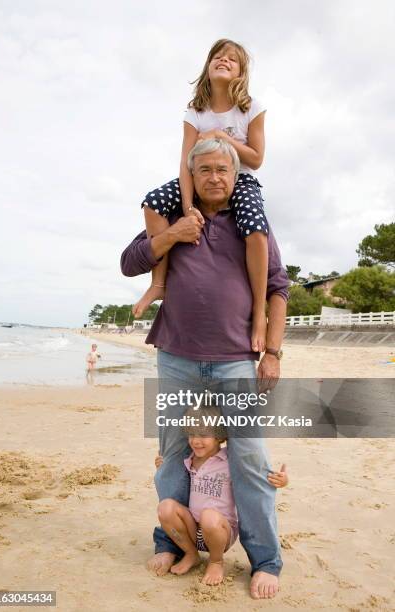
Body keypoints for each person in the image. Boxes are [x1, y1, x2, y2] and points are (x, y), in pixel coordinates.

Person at [121, 138, 288, 600]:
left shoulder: (252, 225)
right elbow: (129, 262)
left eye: (223, 170)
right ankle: (171, 544)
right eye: (205, 169)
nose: (215, 177)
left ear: (235, 179)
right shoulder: (175, 216)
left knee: (249, 459)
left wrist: (272, 350)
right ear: (190, 177)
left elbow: (278, 286)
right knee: (174, 455)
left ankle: (266, 561)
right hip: (175, 358)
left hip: (237, 359)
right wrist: (173, 234)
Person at [133, 39, 269, 354]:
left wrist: (223, 137)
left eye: (232, 59)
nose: (224, 61)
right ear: (208, 66)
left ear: (240, 72)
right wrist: (187, 206)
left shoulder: (251, 107)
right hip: (198, 177)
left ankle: (258, 313)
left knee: (256, 229)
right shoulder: (195, 112)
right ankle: (159, 283)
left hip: (239, 178)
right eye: (218, 57)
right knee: (152, 202)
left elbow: (256, 159)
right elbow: (185, 163)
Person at [155, 407, 288, 586]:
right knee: (165, 507)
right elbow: (175, 477)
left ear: (219, 436)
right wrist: (163, 466)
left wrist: (282, 480)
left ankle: (216, 561)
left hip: (219, 530)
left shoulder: (229, 460)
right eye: (191, 434)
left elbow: (256, 477)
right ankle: (191, 554)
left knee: (208, 516)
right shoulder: (190, 459)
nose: (196, 441)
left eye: (203, 435)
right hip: (194, 528)